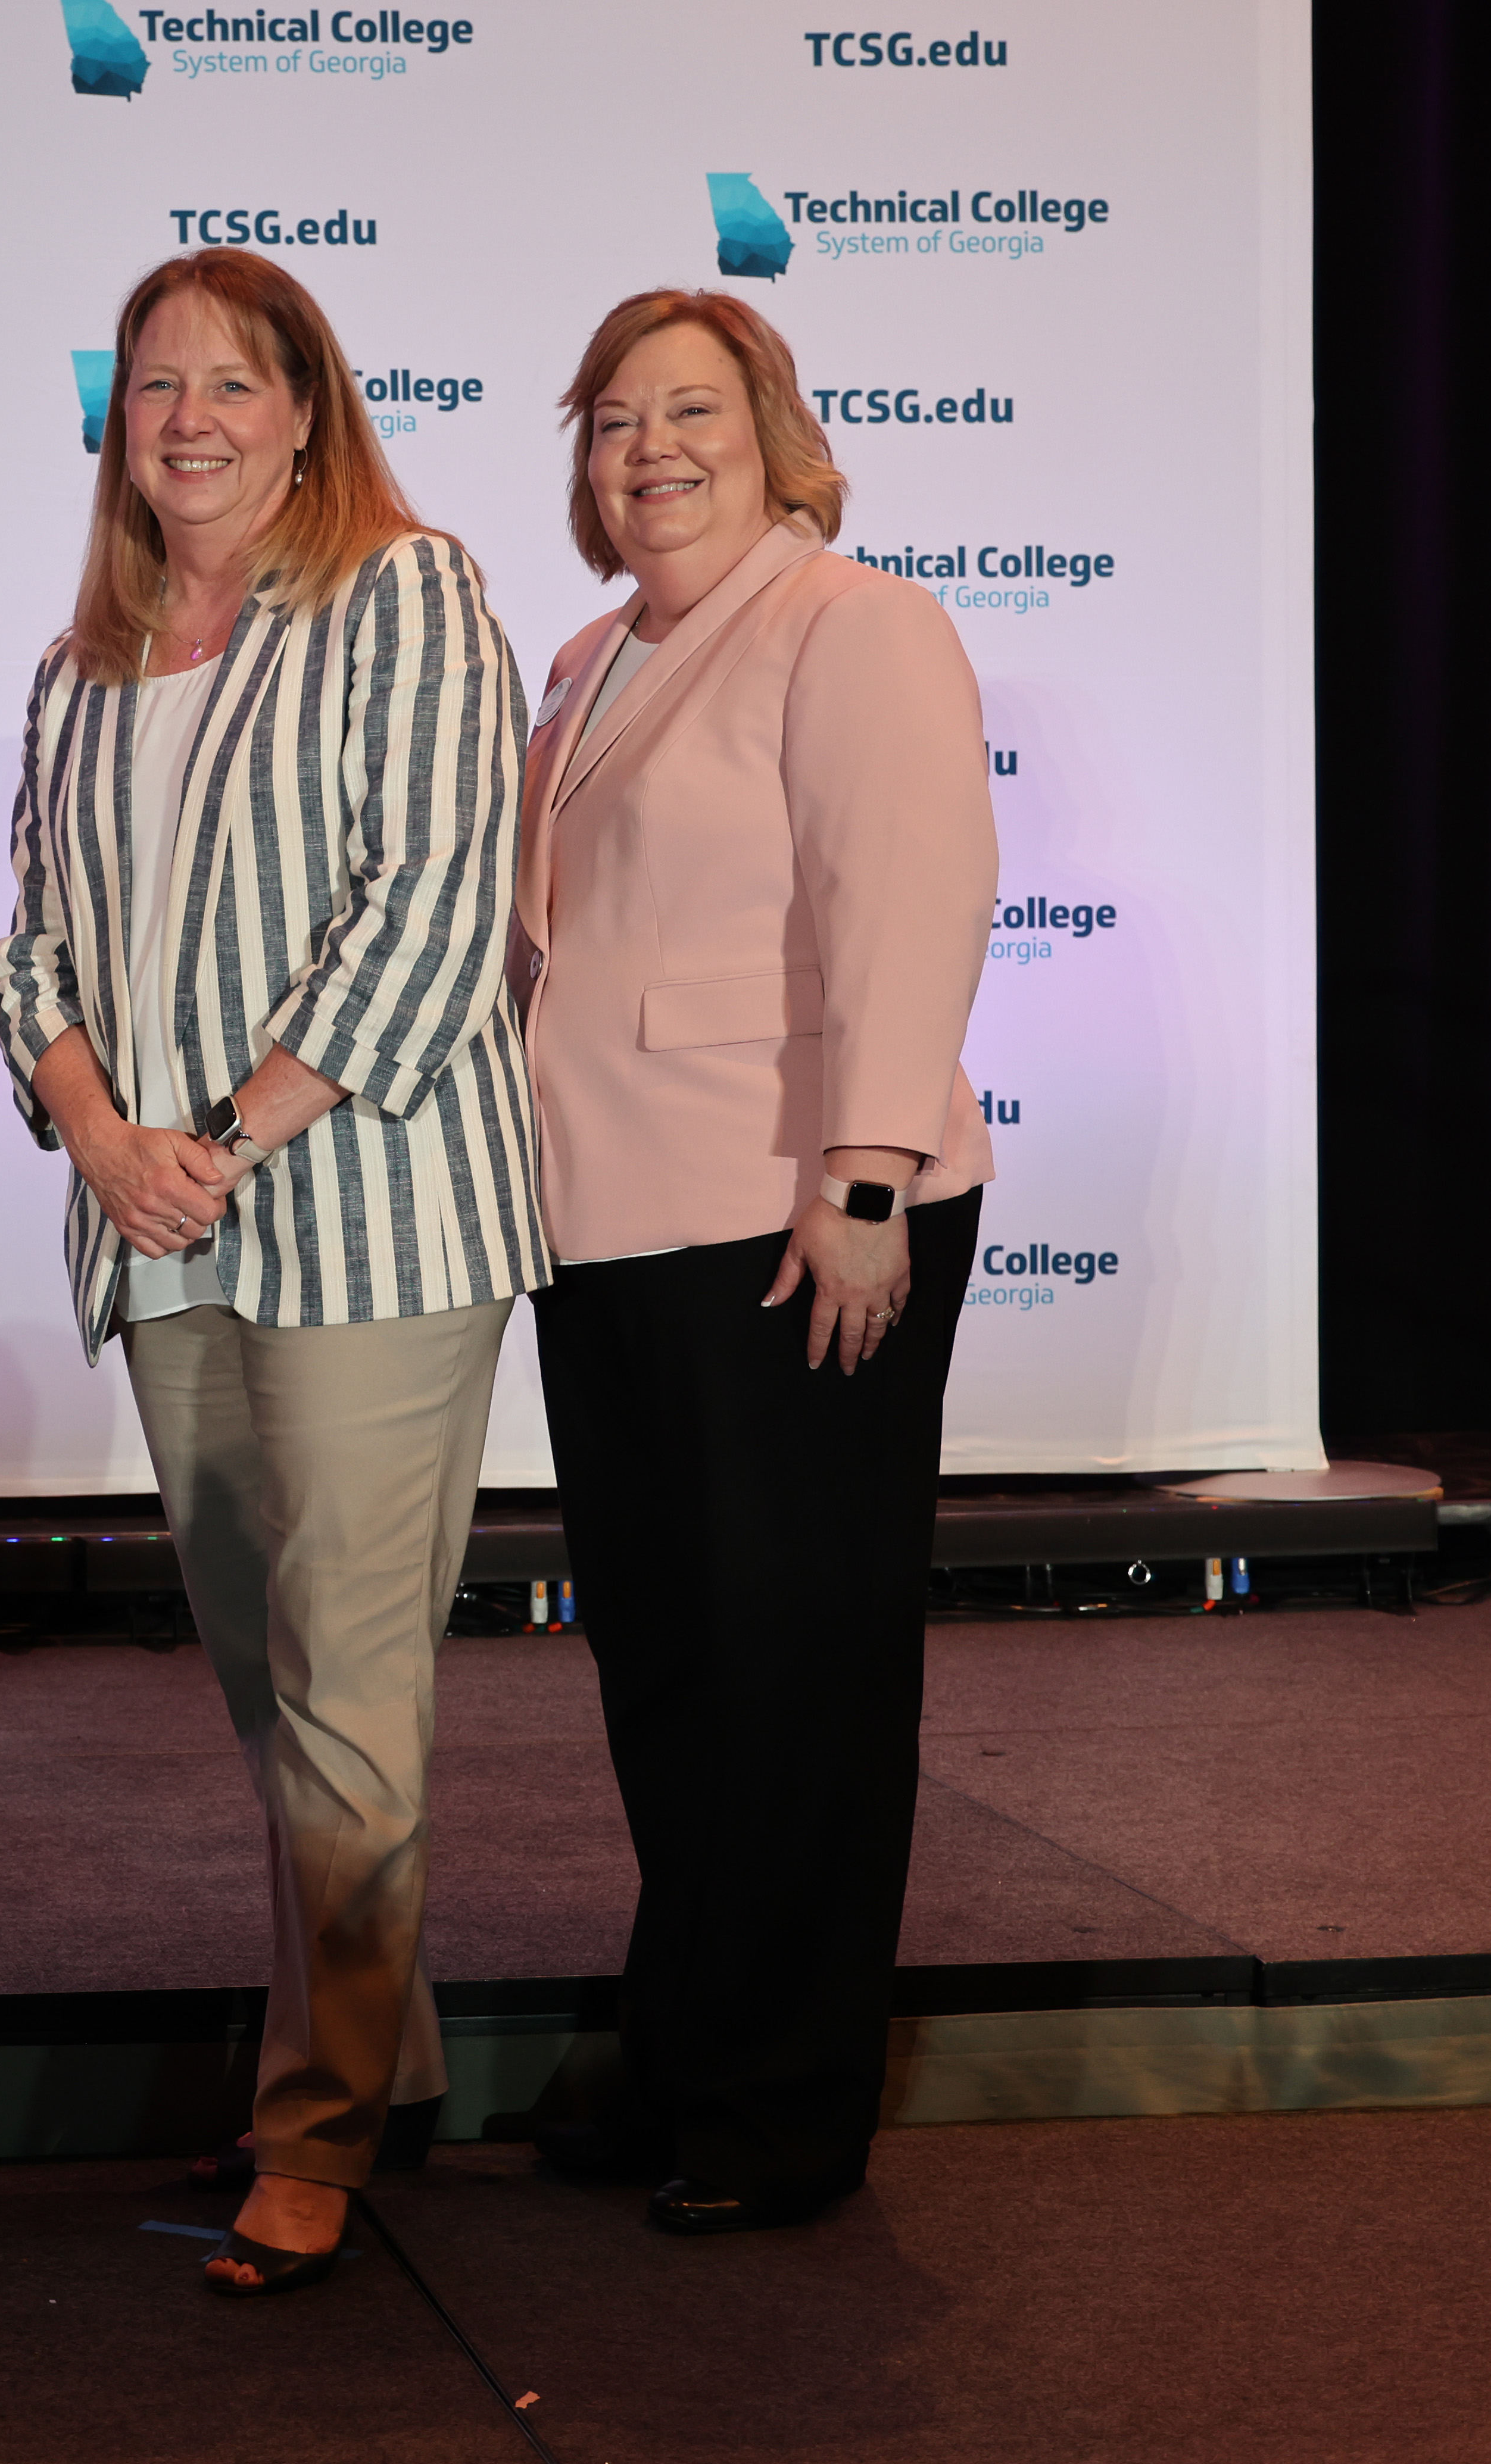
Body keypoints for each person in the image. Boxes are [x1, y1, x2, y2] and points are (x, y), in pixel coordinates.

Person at [0, 250, 547, 2297]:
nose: (192, 418)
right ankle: (383, 2062)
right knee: (279, 1689)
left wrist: (223, 1135)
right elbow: (31, 950)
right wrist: (107, 1134)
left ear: (310, 409)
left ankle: (312, 2130)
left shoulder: (407, 592)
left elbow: (433, 906)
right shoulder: (86, 667)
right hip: (164, 1233)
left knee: (354, 1692)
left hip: (368, 1212)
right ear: (114, 423)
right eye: (154, 387)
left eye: (235, 381)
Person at [517, 291, 996, 2234]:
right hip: (610, 1223)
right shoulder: (583, 654)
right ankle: (691, 2046)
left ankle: (785, 2112)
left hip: (800, 1217)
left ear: (778, 432)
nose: (651, 450)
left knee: (795, 1672)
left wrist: (864, 1178)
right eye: (615, 420)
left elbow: (913, 893)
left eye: (691, 411)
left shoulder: (854, 621)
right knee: (674, 1673)